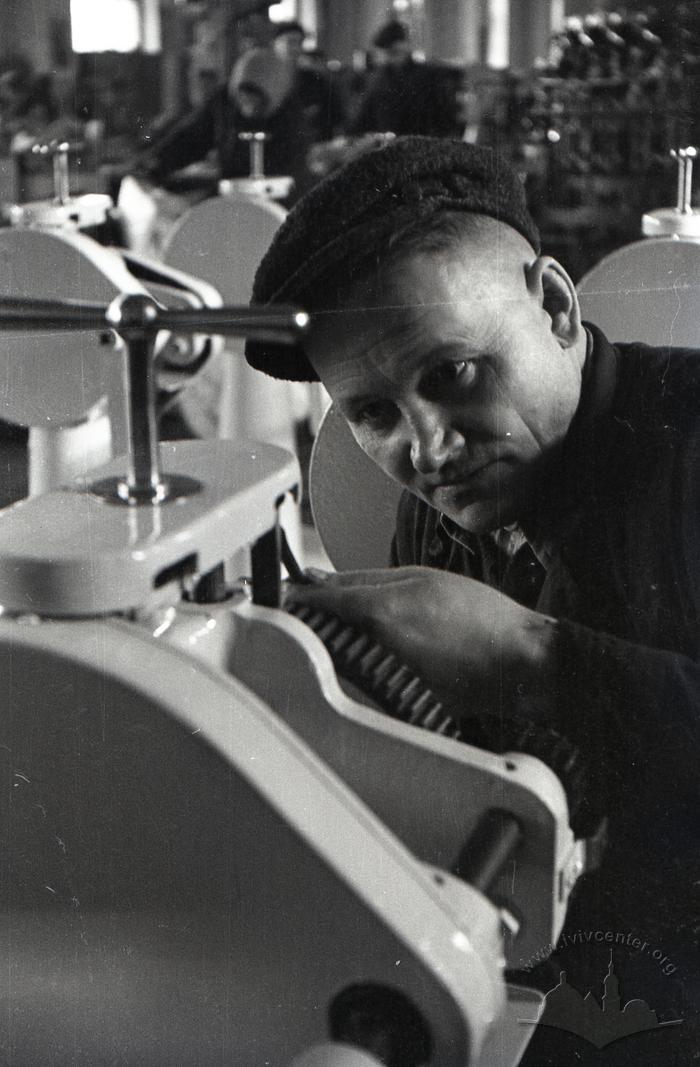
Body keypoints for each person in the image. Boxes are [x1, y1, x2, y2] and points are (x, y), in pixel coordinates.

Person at [245, 136, 699, 1065]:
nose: (430, 451)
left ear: (558, 309)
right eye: (373, 413)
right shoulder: (455, 500)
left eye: (453, 375)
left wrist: (533, 660)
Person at [134, 47, 314, 201]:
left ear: (272, 97)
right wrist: (153, 164)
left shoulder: (291, 118)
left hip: (278, 198)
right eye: (244, 96)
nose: (248, 106)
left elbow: (292, 173)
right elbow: (190, 138)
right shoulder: (223, 103)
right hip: (230, 190)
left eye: (255, 99)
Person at [348, 20, 459, 138]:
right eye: (391, 53)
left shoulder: (428, 75)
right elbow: (364, 118)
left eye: (394, 53)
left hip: (418, 143)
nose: (392, 58)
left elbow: (444, 117)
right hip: (396, 145)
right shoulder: (380, 79)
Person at [271, 19, 346, 142]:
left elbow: (334, 119)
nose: (295, 48)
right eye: (289, 42)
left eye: (299, 43)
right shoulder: (266, 79)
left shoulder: (316, 81)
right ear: (274, 44)